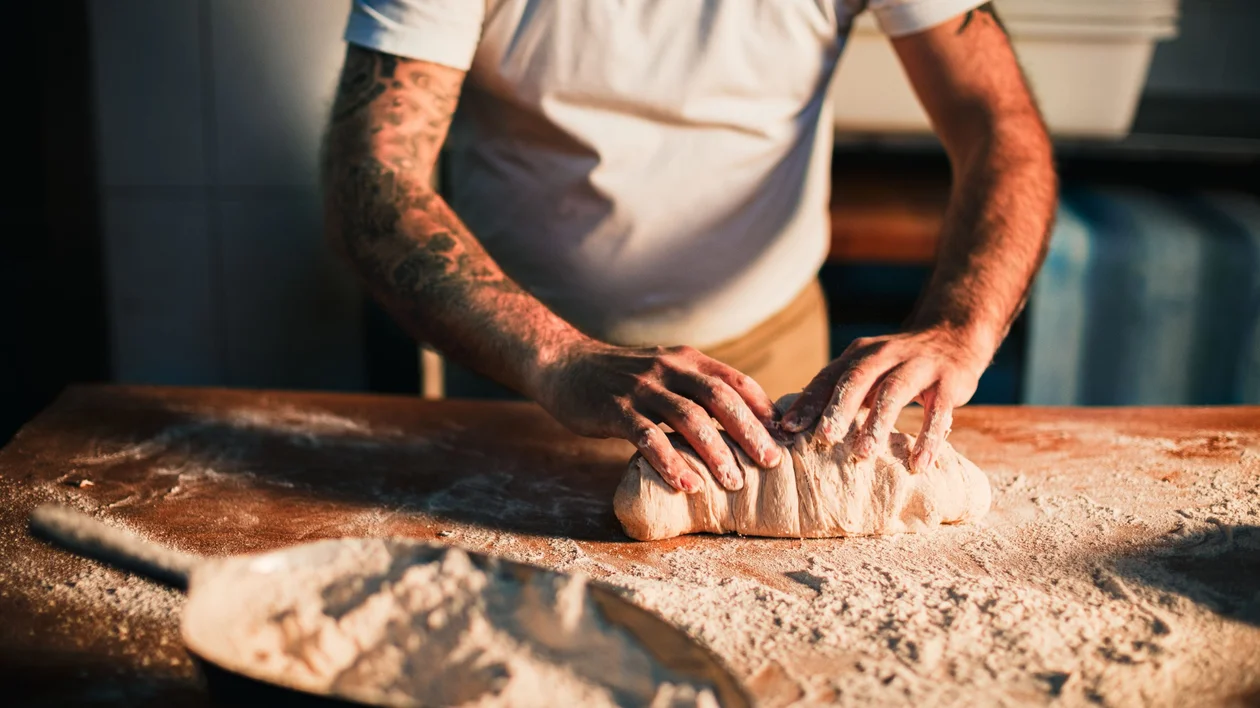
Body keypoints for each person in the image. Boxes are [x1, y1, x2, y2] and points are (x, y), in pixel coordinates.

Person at [322, 0, 1057, 495]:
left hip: (770, 372)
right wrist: (555, 358)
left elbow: (996, 122)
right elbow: (373, 171)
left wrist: (961, 324)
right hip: (521, 365)